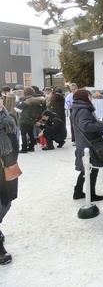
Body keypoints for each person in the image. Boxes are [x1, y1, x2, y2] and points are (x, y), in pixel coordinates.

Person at [71, 89, 103, 201]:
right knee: (92, 169)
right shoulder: (83, 110)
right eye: (89, 96)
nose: (91, 98)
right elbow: (85, 126)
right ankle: (91, 194)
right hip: (88, 143)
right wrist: (101, 125)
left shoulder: (78, 108)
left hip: (83, 142)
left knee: (85, 169)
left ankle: (78, 192)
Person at [0, 96, 19, 265]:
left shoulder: (9, 119)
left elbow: (15, 142)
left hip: (8, 168)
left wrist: (11, 161)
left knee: (7, 203)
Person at [15, 86, 45, 153]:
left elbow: (19, 106)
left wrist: (17, 101)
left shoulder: (27, 99)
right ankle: (31, 147)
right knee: (31, 133)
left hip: (25, 118)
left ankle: (24, 148)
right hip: (33, 119)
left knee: (23, 134)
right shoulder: (36, 99)